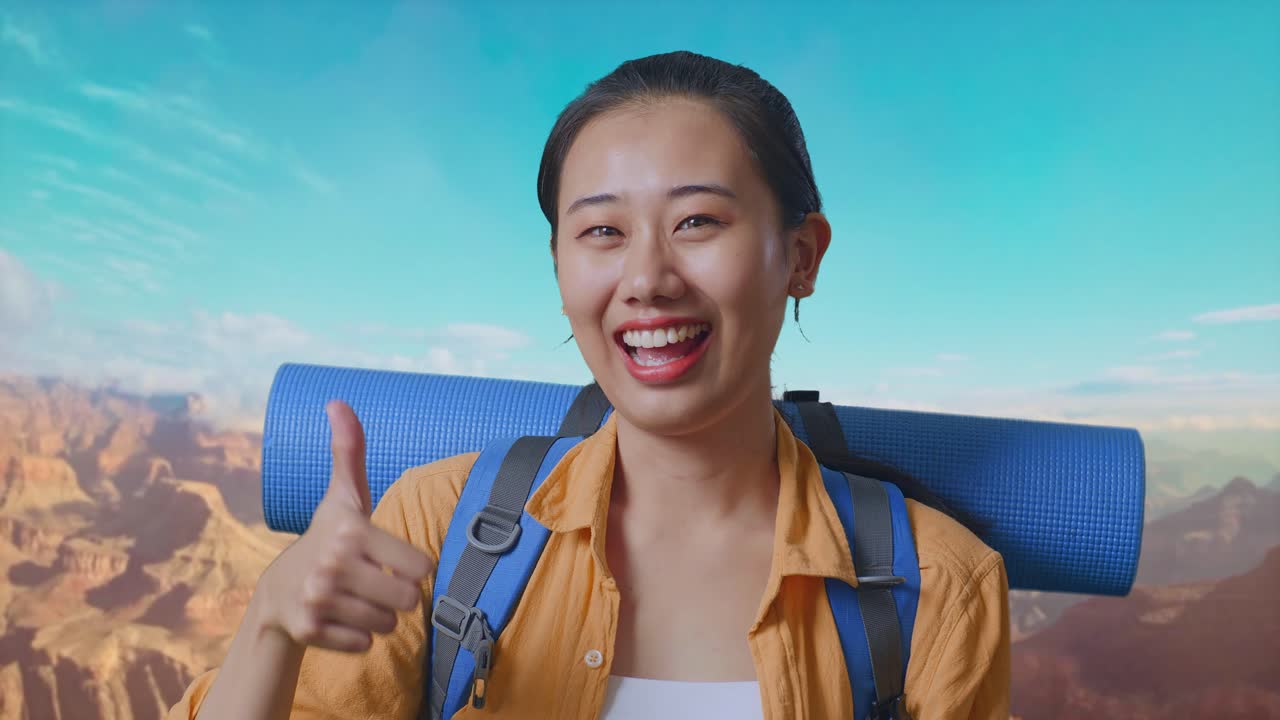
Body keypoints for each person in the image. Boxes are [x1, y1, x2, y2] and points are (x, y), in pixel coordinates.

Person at [169, 50, 1010, 720]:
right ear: (559, 266)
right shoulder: (433, 531)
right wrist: (271, 623)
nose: (646, 280)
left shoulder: (941, 590)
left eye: (697, 222)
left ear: (801, 256)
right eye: (602, 231)